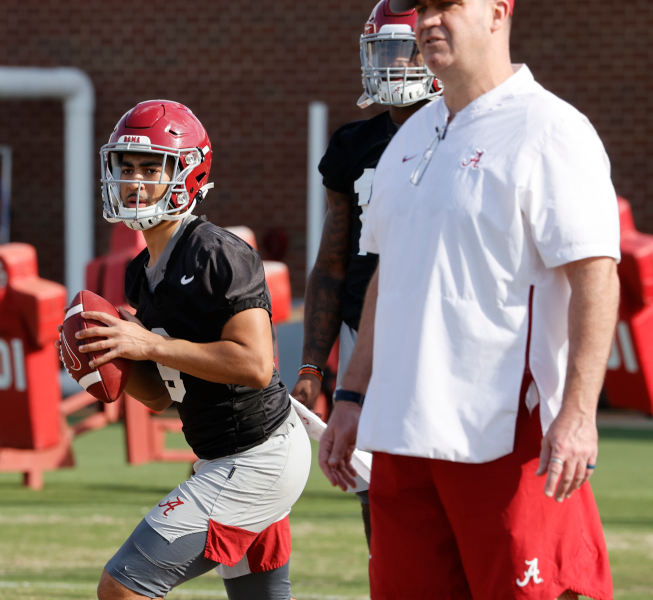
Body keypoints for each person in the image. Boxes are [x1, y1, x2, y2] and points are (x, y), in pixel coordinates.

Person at [319, 0, 617, 598]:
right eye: (419, 8)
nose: (427, 21)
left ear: (498, 12)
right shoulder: (408, 139)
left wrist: (579, 415)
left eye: (445, 5)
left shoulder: (551, 129)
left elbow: (595, 276)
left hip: (508, 438)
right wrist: (351, 395)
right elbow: (387, 275)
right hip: (402, 438)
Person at [66, 100, 311, 600]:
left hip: (257, 454)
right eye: (126, 167)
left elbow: (255, 366)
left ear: (188, 174)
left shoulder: (218, 254)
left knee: (123, 587)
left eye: (152, 167)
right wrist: (108, 357)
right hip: (225, 454)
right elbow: (161, 397)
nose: (134, 182)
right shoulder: (141, 272)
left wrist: (148, 341)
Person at [290, 0, 442, 549]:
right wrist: (313, 362)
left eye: (408, 51)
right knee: (376, 492)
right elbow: (333, 262)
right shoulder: (354, 146)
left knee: (444, 485)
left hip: (438, 333)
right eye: (387, 51)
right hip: (364, 339)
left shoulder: (460, 132)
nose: (396, 65)